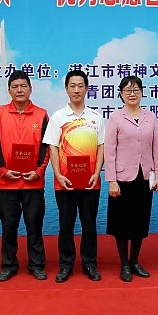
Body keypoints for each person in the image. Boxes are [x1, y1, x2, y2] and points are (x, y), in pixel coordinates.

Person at [42, 70, 105, 283]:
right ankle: (65, 265)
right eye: (72, 86)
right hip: (65, 182)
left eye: (80, 86)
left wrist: (96, 172)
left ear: (86, 89)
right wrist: (58, 174)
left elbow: (101, 146)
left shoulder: (96, 117)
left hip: (90, 182)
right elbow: (52, 147)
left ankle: (90, 263)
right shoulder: (58, 117)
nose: (76, 90)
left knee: (89, 225)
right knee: (66, 225)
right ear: (66, 89)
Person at [105, 76, 158, 282]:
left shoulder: (151, 117)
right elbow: (109, 151)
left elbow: (156, 149)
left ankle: (135, 261)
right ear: (121, 94)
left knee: (140, 220)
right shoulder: (116, 117)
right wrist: (112, 180)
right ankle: (124, 264)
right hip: (122, 178)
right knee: (121, 222)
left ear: (142, 92)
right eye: (127, 90)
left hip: (144, 177)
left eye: (136, 90)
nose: (132, 94)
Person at [0, 71, 50, 282]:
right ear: (9, 91)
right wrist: (3, 170)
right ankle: (8, 265)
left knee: (35, 226)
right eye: (15, 87)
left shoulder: (42, 115)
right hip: (7, 183)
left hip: (33, 182)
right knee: (9, 227)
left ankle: (37, 264)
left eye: (23, 86)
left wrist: (39, 171)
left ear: (30, 89)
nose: (19, 90)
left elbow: (46, 146)